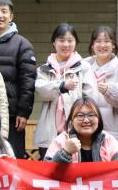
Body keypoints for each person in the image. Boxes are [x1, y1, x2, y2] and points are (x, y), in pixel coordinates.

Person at [0, 0, 36, 159]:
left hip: (12, 116)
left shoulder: (22, 44)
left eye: (4, 11)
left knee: (12, 159)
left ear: (11, 16)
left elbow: (28, 81)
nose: (0, 15)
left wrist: (24, 112)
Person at [34, 23, 92, 159]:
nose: (66, 44)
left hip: (77, 130)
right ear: (54, 43)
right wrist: (61, 86)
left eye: (70, 40)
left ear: (76, 43)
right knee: (49, 167)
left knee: (77, 168)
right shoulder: (43, 69)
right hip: (49, 131)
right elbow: (41, 90)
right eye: (61, 40)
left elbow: (90, 98)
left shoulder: (83, 68)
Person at [83, 26, 118, 144]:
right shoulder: (82, 70)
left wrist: (109, 89)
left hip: (115, 136)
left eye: (107, 41)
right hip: (86, 133)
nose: (102, 45)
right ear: (92, 45)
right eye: (98, 41)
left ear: (113, 45)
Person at [44, 97, 118, 163]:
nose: (86, 120)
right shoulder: (61, 141)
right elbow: (47, 171)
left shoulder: (108, 140)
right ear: (71, 120)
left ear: (99, 119)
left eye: (91, 115)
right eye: (80, 115)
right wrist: (65, 153)